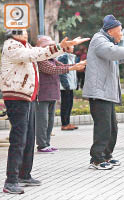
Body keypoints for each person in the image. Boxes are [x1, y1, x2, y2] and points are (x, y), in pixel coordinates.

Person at [1, 29, 90, 194]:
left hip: (28, 97)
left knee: (28, 139)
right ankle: (11, 181)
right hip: (16, 97)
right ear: (12, 33)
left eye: (26, 31)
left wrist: (62, 48)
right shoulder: (11, 46)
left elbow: (39, 54)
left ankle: (24, 175)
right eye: (21, 31)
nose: (26, 33)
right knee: (19, 140)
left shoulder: (25, 45)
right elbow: (35, 54)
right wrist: (59, 47)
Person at [83, 14, 124, 170]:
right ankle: (96, 159)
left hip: (107, 92)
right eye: (120, 30)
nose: (121, 33)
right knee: (103, 126)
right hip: (99, 93)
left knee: (112, 127)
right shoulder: (99, 40)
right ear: (111, 30)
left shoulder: (107, 41)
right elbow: (111, 52)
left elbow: (117, 58)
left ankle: (106, 155)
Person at [35, 36, 86, 153]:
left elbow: (61, 66)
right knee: (43, 121)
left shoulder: (52, 58)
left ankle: (47, 143)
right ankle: (42, 145)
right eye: (48, 46)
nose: (51, 49)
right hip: (42, 94)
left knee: (50, 120)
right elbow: (52, 70)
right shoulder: (41, 59)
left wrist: (76, 66)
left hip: (52, 93)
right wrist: (73, 67)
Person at [58, 45, 80, 131]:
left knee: (69, 104)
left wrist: (76, 83)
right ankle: (64, 124)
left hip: (70, 85)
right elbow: (62, 72)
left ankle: (68, 122)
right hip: (65, 86)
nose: (73, 47)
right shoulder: (63, 57)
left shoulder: (71, 57)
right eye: (71, 46)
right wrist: (66, 85)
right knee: (65, 105)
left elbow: (73, 72)